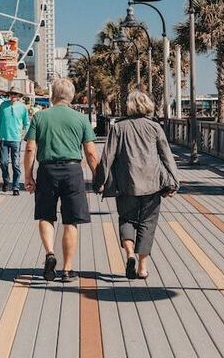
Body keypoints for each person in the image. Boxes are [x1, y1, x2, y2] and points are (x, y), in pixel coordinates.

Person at [95, 90, 179, 280]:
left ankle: (130, 255)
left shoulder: (119, 127)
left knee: (126, 219)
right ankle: (142, 266)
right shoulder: (155, 127)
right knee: (148, 223)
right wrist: (174, 182)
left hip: (126, 183)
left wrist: (100, 181)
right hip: (152, 183)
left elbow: (107, 156)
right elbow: (166, 156)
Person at [24, 78, 99, 283]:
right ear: (72, 96)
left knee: (46, 215)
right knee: (70, 220)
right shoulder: (81, 119)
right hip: (73, 171)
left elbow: (31, 148)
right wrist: (99, 177)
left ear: (52, 95)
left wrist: (28, 175)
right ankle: (67, 269)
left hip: (47, 171)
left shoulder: (40, 117)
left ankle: (50, 253)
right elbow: (91, 153)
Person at [0, 88, 30, 195]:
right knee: (3, 162)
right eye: (11, 94)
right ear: (9, 95)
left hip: (16, 139)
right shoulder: (3, 105)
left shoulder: (23, 107)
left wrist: (28, 136)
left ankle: (15, 187)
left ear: (19, 95)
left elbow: (27, 123)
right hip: (4, 138)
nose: (13, 95)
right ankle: (6, 181)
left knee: (15, 164)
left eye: (15, 94)